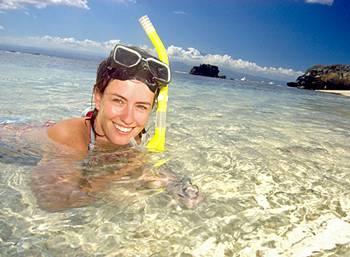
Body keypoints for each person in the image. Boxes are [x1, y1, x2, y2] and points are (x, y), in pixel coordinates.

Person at [31, 44, 202, 211]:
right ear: (98, 97)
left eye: (141, 106)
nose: (128, 119)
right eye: (118, 101)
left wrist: (182, 188)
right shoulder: (68, 135)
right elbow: (52, 201)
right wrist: (119, 171)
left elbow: (164, 176)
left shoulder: (135, 138)